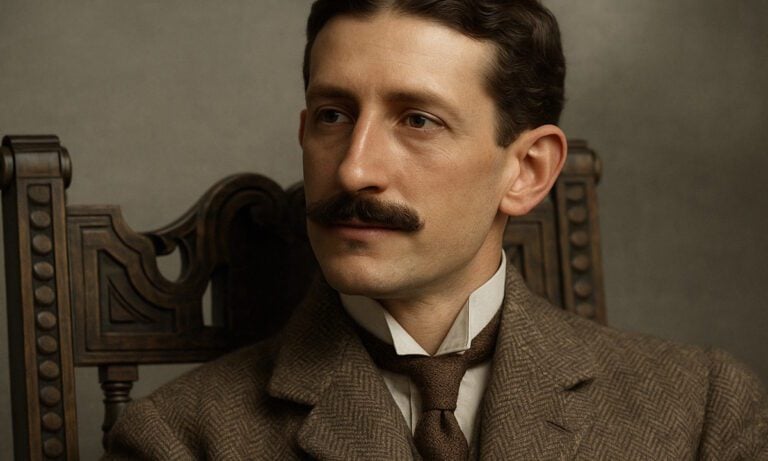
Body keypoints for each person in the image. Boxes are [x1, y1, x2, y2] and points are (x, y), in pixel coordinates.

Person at [104, 1, 768, 459]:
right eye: (334, 115)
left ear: (528, 171)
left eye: (418, 120)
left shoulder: (704, 411)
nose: (353, 169)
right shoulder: (177, 439)